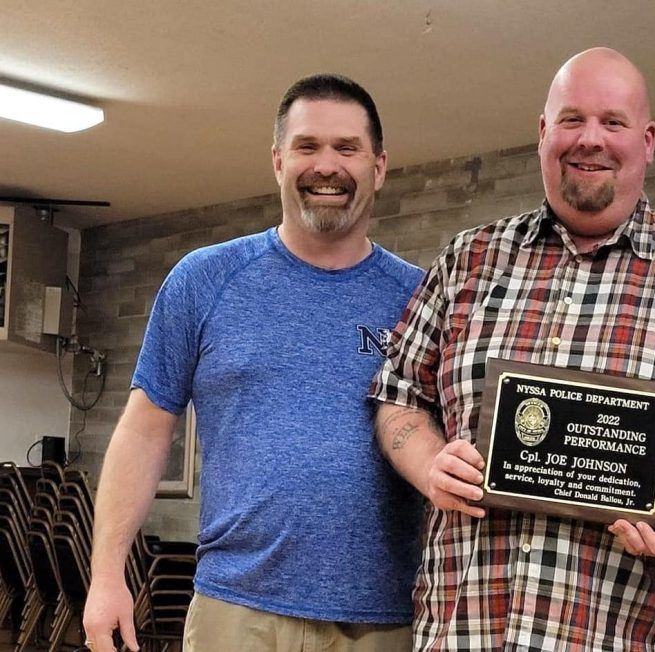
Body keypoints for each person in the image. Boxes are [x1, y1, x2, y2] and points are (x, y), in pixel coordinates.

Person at [369, 47, 655, 650]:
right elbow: (398, 395)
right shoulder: (467, 260)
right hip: (463, 634)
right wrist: (429, 464)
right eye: (571, 119)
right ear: (542, 133)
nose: (590, 139)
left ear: (649, 140)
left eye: (613, 122)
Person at [82, 74, 424, 652]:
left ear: (379, 167)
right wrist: (106, 574)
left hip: (383, 619)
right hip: (236, 612)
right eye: (307, 146)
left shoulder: (420, 297)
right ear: (277, 161)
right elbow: (143, 432)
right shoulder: (204, 280)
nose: (326, 166)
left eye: (347, 148)